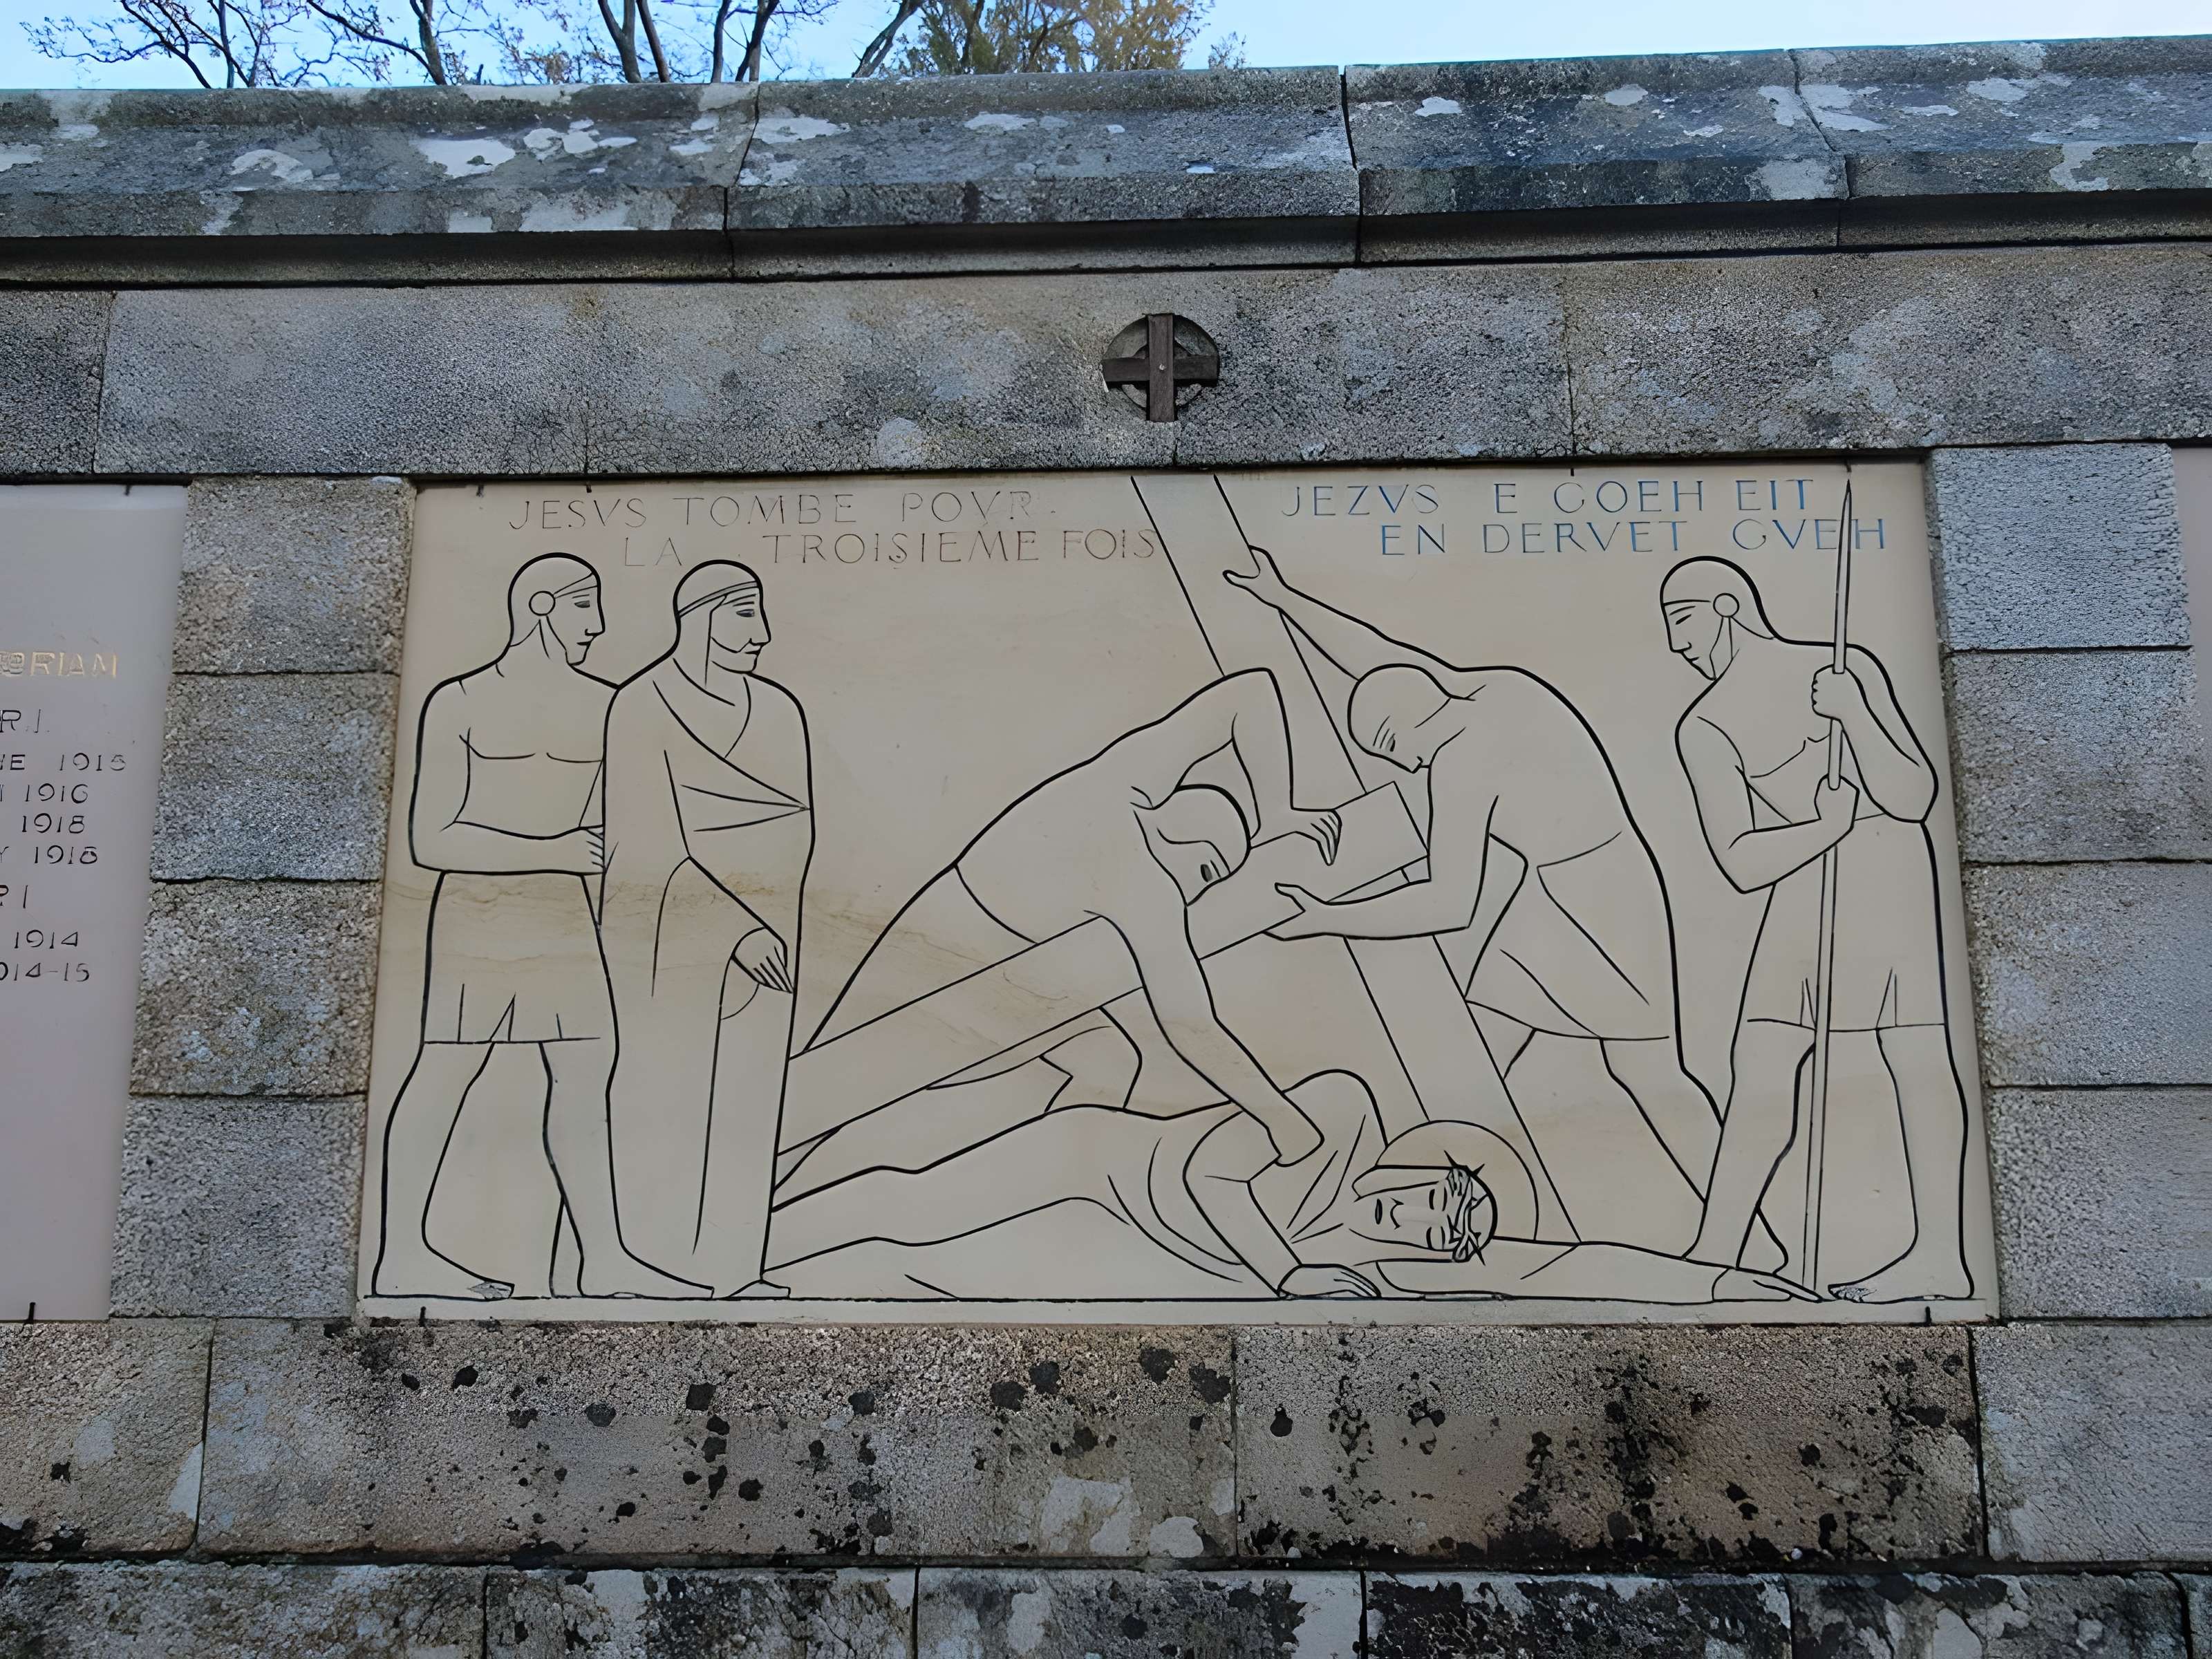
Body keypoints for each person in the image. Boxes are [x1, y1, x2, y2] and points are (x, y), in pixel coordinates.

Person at [1224, 550, 1745, 1249]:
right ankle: (1402, 1204)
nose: (1401, 766)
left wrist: (1326, 917)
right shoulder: (1490, 690)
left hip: (1605, 910)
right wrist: (1284, 596)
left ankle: (1740, 1236)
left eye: (1390, 749)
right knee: (1475, 1049)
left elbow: (1447, 903)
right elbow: (1379, 659)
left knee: (1648, 1071)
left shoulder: (1461, 763)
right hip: (1558, 896)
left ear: (1406, 731)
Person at [803, 669, 1344, 1167]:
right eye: (1206, 872)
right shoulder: (1145, 888)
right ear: (1180, 835)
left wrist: (1278, 810)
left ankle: (1049, 1174)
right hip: (950, 976)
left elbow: (1249, 693)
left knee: (1108, 1065)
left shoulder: (1122, 779)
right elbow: (1192, 1026)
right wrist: (1282, 1119)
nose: (1197, 893)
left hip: (996, 975)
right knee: (816, 1096)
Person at [764, 1069, 1812, 1306]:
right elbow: (1219, 1174)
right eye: (1442, 1191)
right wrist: (1291, 1274)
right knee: (903, 1204)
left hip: (1128, 1252)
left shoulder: (1372, 1272)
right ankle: (738, 1255)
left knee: (907, 1267)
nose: (1425, 1216)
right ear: (1421, 1161)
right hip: (1090, 1164)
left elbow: (1581, 1264)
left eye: (1446, 1233)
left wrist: (1733, 1286)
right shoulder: (1342, 1114)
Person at [371, 554, 696, 1301]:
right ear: (543, 605)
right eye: (586, 607)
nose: (599, 626)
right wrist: (550, 849)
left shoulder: (610, 706)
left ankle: (604, 1257)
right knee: (446, 1068)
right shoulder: (458, 702)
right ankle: (402, 1255)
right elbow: (432, 839)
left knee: (587, 1071)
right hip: (476, 916)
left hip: (563, 919)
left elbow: (635, 820)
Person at [1659, 558, 1974, 1302]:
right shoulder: (1702, 725)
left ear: (1727, 605)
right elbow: (1737, 860)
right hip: (1802, 878)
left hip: (1886, 869)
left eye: (1682, 619)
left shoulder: (1838, 667)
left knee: (1915, 1052)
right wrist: (1820, 828)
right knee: (1760, 1058)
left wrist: (1853, 713)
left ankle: (1937, 1254)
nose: (1676, 644)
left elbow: (1910, 795)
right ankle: (1717, 1250)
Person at [600, 561, 813, 1298]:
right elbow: (643, 841)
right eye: (745, 614)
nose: (762, 634)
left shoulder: (780, 711)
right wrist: (731, 924)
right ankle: (655, 1262)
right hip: (671, 932)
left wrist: (767, 914)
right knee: (668, 1089)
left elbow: (796, 824)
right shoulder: (640, 703)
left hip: (773, 927)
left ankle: (733, 1269)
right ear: (700, 616)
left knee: (750, 1094)